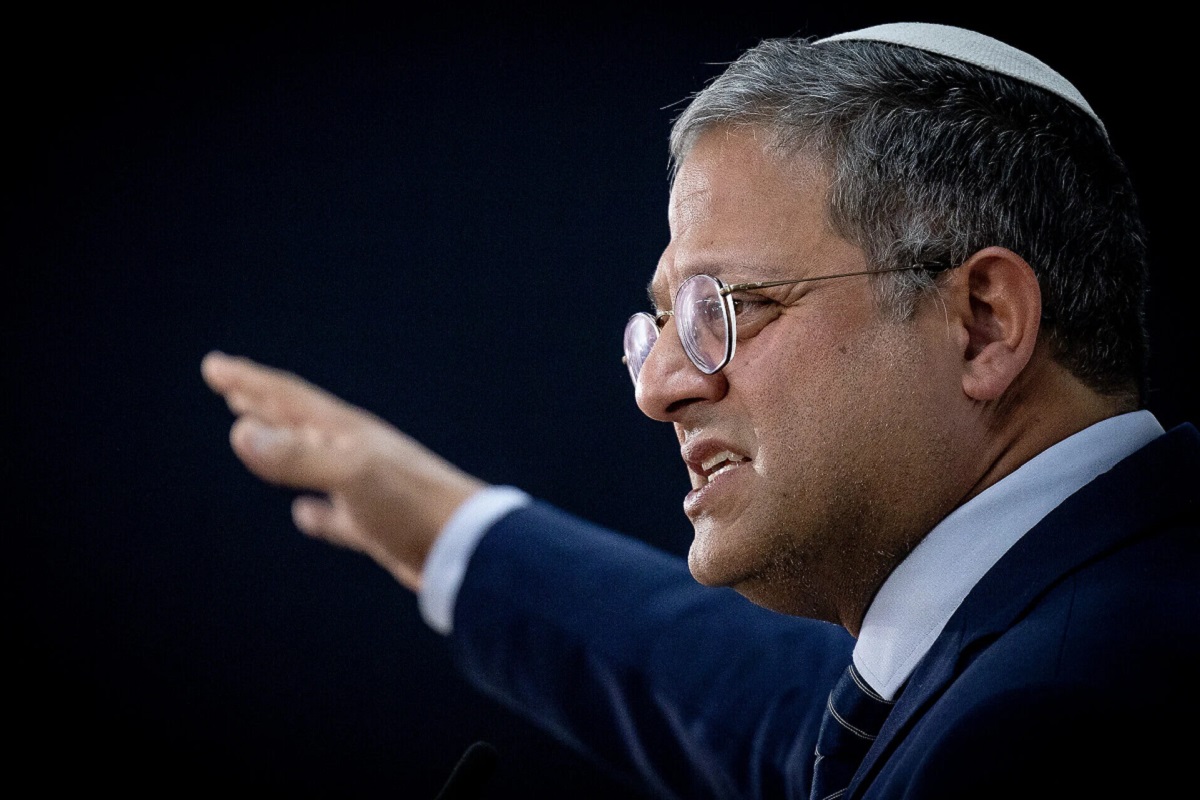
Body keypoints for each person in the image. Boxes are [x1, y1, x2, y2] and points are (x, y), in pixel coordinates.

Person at [202, 21, 1198, 799]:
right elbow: (762, 707)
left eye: (731, 307)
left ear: (982, 323)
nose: (658, 387)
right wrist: (446, 528)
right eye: (663, 323)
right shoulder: (1041, 633)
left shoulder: (1059, 723)